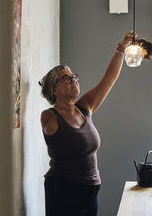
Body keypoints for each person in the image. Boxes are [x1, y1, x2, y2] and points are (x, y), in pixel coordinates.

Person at [38, 32, 136, 216]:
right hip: (63, 191)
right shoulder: (49, 116)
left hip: (90, 191)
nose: (73, 80)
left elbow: (109, 79)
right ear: (54, 89)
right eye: (65, 79)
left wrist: (121, 48)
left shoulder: (84, 108)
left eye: (73, 77)